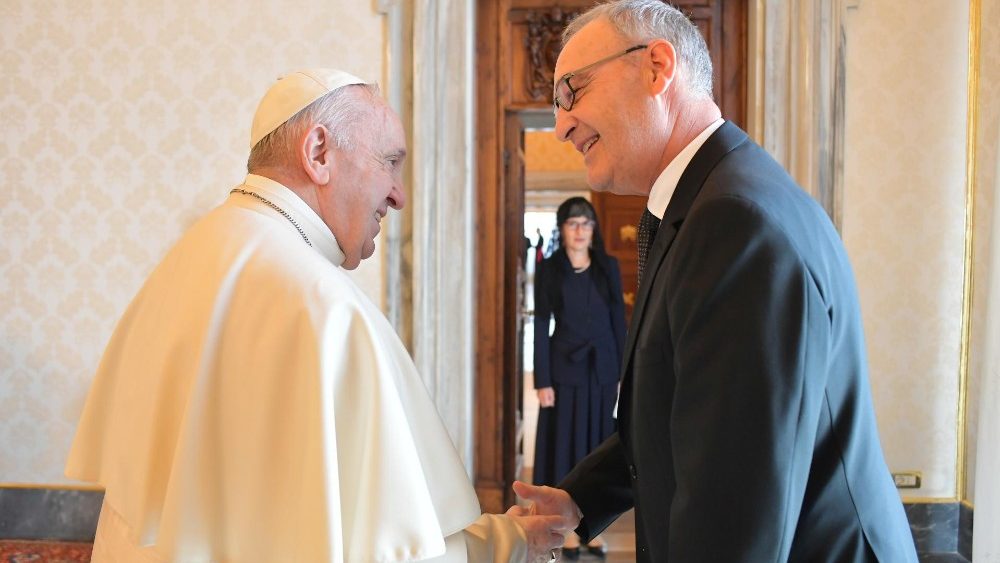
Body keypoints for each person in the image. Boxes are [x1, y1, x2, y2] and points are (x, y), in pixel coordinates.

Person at [66, 69, 569, 562]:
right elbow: (389, 550)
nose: (399, 194)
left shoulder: (194, 253)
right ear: (319, 153)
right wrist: (511, 543)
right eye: (390, 162)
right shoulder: (322, 305)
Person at [511, 2, 919, 561]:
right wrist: (580, 498)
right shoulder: (706, 202)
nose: (560, 126)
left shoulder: (735, 222)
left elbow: (734, 515)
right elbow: (691, 410)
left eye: (572, 92)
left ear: (656, 68)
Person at [531, 197, 625, 559]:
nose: (580, 231)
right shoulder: (550, 269)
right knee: (565, 448)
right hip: (563, 368)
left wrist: (622, 374)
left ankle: (592, 530)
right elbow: (541, 323)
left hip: (602, 369)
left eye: (586, 224)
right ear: (562, 228)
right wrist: (542, 380)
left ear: (593, 229)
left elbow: (619, 321)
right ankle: (564, 532)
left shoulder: (608, 266)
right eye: (573, 224)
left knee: (597, 449)